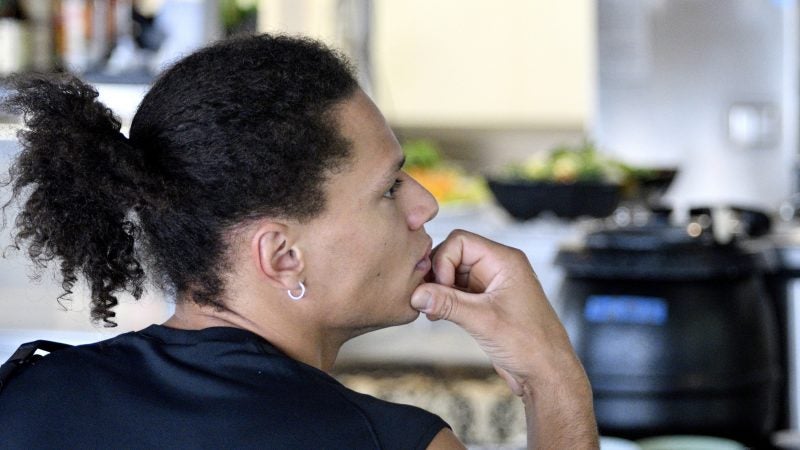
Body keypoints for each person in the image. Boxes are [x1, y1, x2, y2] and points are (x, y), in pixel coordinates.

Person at [0, 34, 597, 449]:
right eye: (389, 188)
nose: (426, 205)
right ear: (283, 258)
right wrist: (552, 374)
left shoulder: (25, 396)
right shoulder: (387, 442)